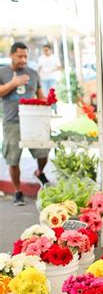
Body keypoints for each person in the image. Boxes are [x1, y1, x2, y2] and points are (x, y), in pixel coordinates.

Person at [0, 41, 50, 206]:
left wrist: (48, 104)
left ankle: (39, 172)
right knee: (13, 159)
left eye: (25, 56)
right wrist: (14, 83)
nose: (23, 60)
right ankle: (18, 191)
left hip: (33, 122)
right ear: (11, 55)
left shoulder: (33, 73)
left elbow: (40, 95)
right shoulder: (3, 72)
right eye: (19, 56)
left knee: (43, 151)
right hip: (12, 122)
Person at [37, 44, 60, 115]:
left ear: (50, 50)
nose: (45, 51)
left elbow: (59, 66)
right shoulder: (41, 58)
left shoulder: (54, 57)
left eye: (46, 50)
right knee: (45, 95)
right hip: (43, 79)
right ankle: (48, 110)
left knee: (52, 95)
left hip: (52, 78)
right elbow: (39, 67)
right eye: (44, 50)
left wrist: (51, 70)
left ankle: (55, 109)